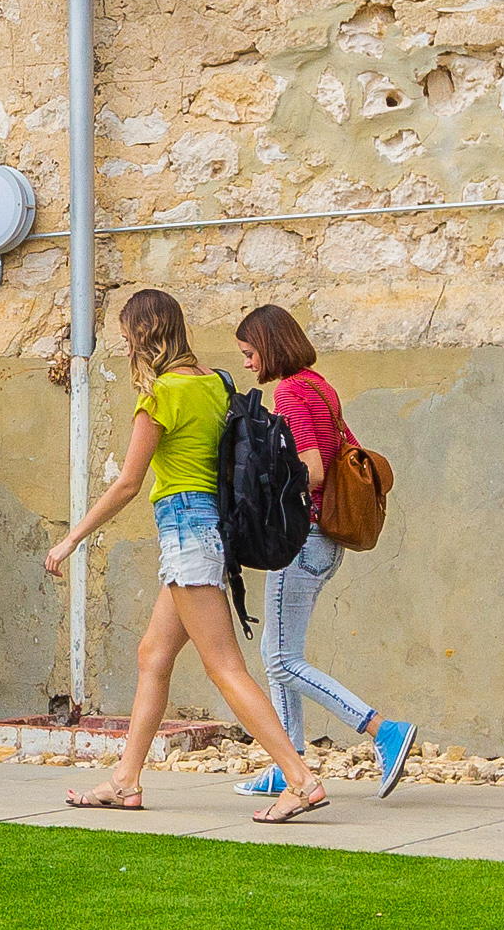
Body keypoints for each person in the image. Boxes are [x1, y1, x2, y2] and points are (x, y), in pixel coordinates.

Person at [40, 289, 326, 819]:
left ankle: (300, 777)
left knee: (224, 667)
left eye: (127, 339)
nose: (124, 348)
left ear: (143, 338)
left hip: (186, 533)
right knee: (154, 654)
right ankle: (125, 781)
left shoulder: (161, 396)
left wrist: (72, 538)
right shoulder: (217, 383)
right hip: (211, 531)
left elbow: (128, 484)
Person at [228, 305, 417, 804]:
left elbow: (311, 470)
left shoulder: (290, 390)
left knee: (284, 659)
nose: (247, 364)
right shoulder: (318, 385)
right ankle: (287, 764)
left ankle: (382, 729)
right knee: (275, 651)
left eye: (250, 353)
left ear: (270, 346)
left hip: (304, 538)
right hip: (324, 540)